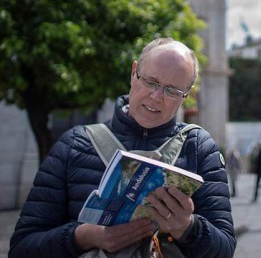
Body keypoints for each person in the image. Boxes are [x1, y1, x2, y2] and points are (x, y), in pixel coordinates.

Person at [9, 38, 236, 258]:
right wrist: (83, 237)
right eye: (150, 81)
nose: (156, 97)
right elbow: (22, 248)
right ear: (133, 73)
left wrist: (188, 227)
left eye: (172, 91)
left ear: (187, 96)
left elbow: (224, 249)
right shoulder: (74, 145)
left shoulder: (199, 147)